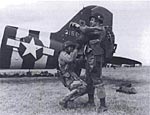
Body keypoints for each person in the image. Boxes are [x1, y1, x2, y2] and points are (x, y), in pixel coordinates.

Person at [70, 13, 107, 113]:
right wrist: (78, 28)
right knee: (89, 80)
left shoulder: (100, 29)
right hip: (90, 56)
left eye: (93, 20)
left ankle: (103, 105)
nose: (91, 22)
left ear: (98, 21)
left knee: (97, 80)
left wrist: (77, 26)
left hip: (95, 57)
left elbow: (85, 30)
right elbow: (83, 35)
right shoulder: (93, 31)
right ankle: (91, 101)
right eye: (90, 20)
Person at [58, 41, 87, 108]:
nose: (72, 49)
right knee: (83, 87)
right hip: (68, 78)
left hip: (71, 77)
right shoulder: (62, 54)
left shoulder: (67, 54)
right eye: (71, 47)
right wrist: (76, 49)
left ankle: (68, 101)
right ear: (66, 47)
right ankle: (64, 100)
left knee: (84, 87)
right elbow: (70, 59)